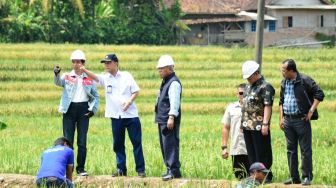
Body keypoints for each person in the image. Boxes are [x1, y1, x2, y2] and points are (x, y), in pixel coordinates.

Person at [80, 54, 146, 177]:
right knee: (118, 144)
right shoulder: (106, 78)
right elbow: (95, 77)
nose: (106, 65)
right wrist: (84, 70)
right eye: (105, 63)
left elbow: (136, 91)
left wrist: (129, 101)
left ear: (116, 63)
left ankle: (140, 170)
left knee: (136, 143)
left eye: (108, 62)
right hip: (116, 117)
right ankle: (121, 169)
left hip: (131, 116)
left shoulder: (127, 76)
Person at [54, 49, 99, 176]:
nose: (75, 64)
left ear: (83, 63)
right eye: (73, 62)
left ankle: (81, 168)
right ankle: (69, 169)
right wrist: (56, 74)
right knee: (67, 141)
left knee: (82, 141)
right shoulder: (68, 76)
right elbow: (58, 83)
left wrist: (93, 110)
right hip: (69, 109)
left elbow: (96, 96)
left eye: (78, 61)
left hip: (84, 110)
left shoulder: (89, 78)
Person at [279, 59, 324, 186]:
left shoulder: (304, 80)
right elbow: (281, 101)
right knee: (290, 150)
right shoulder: (284, 82)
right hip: (288, 120)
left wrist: (311, 110)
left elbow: (319, 94)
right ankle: (294, 177)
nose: (282, 72)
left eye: (284, 70)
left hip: (301, 120)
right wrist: (281, 118)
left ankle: (306, 177)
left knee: (305, 150)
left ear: (291, 70)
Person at [241, 60, 275, 183]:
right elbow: (245, 105)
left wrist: (265, 123)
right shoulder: (249, 86)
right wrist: (242, 122)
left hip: (259, 125)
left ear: (256, 73)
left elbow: (268, 106)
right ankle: (255, 176)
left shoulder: (266, 87)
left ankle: (266, 177)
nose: (248, 80)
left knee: (262, 152)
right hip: (247, 125)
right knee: (251, 152)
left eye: (249, 77)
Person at [155, 55, 182, 181]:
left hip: (168, 119)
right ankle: (170, 169)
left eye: (161, 69)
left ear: (169, 69)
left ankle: (173, 171)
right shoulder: (166, 81)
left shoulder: (174, 83)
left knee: (170, 144)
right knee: (165, 145)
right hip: (162, 119)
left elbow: (174, 101)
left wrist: (171, 117)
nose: (159, 71)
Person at [221, 83, 249, 179]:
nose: (243, 95)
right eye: (241, 93)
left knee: (253, 178)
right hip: (236, 148)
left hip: (251, 150)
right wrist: (224, 147)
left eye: (246, 93)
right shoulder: (231, 107)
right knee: (239, 177)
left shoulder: (254, 108)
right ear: (237, 94)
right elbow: (226, 127)